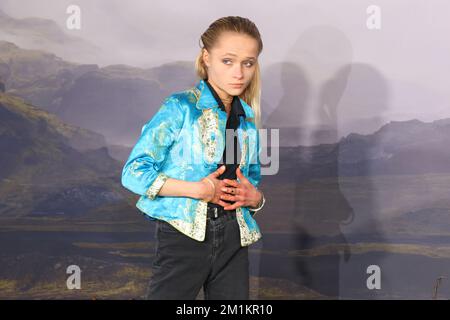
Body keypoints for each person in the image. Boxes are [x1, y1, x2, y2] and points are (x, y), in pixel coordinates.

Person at [121, 16, 266, 300]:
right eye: (228, 61)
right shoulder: (180, 107)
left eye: (247, 63)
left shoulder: (246, 122)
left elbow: (251, 183)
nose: (239, 72)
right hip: (183, 235)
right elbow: (133, 172)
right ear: (206, 57)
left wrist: (256, 199)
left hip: (234, 237)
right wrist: (199, 190)